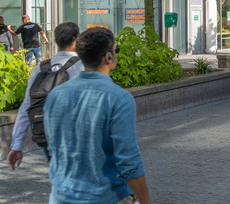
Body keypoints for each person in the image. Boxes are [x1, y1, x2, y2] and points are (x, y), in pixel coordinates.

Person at [43, 26, 151, 204]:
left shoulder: (56, 94)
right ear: (108, 56)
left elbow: (54, 147)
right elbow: (129, 163)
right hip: (105, 197)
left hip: (61, 197)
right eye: (116, 50)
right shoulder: (119, 98)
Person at [7, 22, 83, 169]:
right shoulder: (83, 66)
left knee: (60, 175)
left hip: (47, 134)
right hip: (77, 137)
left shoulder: (40, 69)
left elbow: (26, 107)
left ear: (55, 41)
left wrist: (17, 145)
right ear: (77, 40)